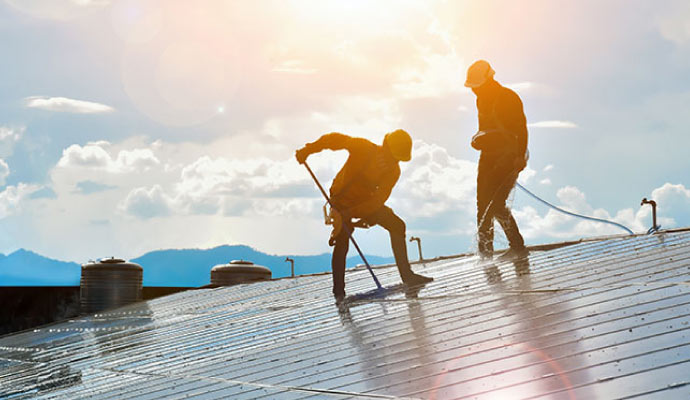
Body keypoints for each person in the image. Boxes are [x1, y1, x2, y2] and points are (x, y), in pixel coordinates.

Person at [295, 129, 433, 300]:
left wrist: (350, 214)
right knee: (343, 237)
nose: (394, 162)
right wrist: (308, 150)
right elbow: (333, 140)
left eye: (397, 159)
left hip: (364, 204)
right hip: (341, 199)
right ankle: (339, 291)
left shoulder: (393, 171)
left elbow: (377, 202)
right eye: (393, 157)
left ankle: (407, 275)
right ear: (386, 148)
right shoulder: (363, 148)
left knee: (397, 225)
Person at [465, 60, 529, 261]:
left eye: (477, 87)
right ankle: (486, 254)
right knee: (482, 205)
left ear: (488, 80)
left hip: (508, 156)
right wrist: (478, 139)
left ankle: (516, 246)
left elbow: (521, 128)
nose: (474, 91)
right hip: (488, 155)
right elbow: (486, 129)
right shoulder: (480, 99)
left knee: (496, 203)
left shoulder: (508, 98)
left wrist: (519, 156)